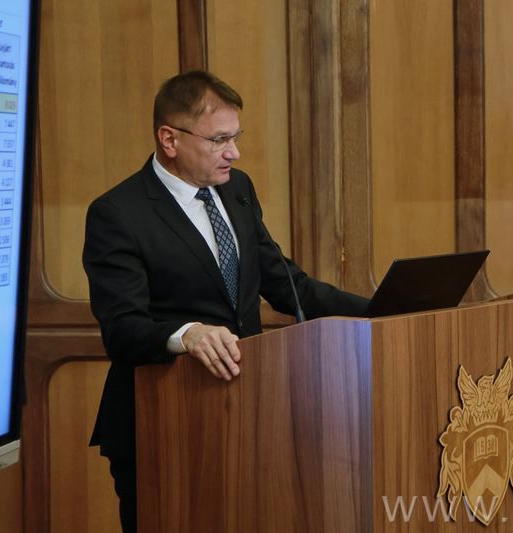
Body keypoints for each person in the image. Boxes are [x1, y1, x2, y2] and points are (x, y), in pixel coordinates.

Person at [82, 70, 369, 532]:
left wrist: (381, 310)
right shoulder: (118, 213)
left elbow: (288, 286)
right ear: (170, 139)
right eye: (219, 140)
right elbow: (121, 328)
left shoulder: (237, 190)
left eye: (235, 137)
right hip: (162, 424)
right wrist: (187, 335)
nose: (234, 152)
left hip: (249, 414)